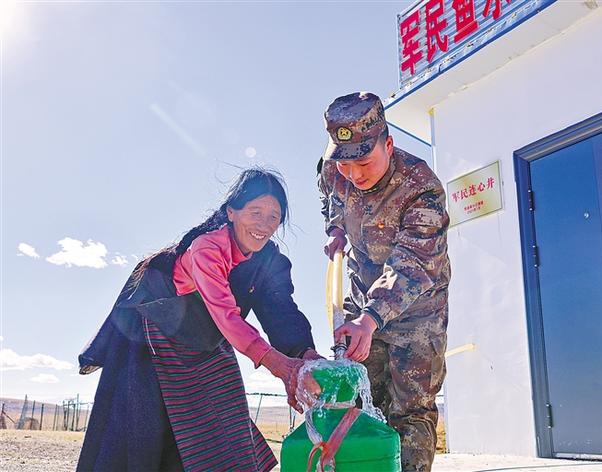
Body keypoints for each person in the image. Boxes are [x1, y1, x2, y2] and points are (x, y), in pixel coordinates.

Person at [77, 168, 321, 472]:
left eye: (274, 217)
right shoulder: (207, 248)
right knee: (148, 438)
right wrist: (281, 367)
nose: (264, 224)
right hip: (156, 341)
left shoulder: (268, 260)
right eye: (255, 212)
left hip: (206, 340)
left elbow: (281, 308)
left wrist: (304, 356)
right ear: (231, 212)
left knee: (227, 430)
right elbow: (226, 316)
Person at [317, 92, 451, 472]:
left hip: (417, 312)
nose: (354, 175)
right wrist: (336, 228)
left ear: (388, 145)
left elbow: (413, 264)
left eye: (363, 162)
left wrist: (371, 318)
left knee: (411, 411)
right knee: (361, 404)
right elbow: (330, 196)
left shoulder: (421, 188)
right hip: (362, 303)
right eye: (344, 164)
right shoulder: (334, 169)